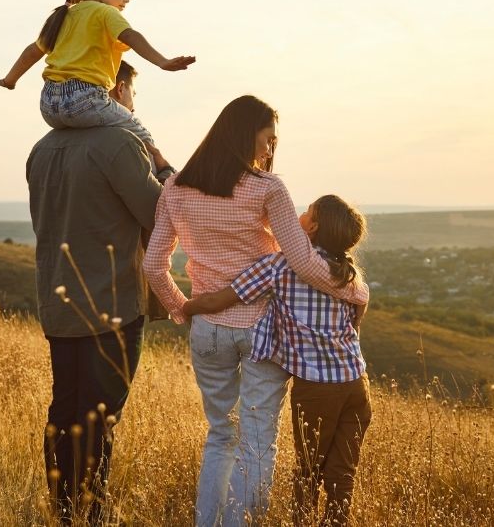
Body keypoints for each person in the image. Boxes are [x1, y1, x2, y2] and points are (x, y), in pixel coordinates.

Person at [141, 96, 369, 527]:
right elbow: (302, 261)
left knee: (221, 434)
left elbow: (153, 265)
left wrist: (181, 309)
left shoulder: (175, 189)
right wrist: (355, 291)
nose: (270, 151)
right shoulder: (268, 189)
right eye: (268, 140)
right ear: (247, 134)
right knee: (258, 443)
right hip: (264, 332)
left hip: (208, 328)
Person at [27, 67, 165, 522]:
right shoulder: (122, 144)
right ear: (118, 89)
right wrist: (163, 166)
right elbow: (160, 215)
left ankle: (62, 508)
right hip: (113, 305)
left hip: (58, 301)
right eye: (133, 92)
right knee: (99, 419)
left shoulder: (41, 150)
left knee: (64, 409)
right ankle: (88, 514)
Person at [184, 194, 371, 527]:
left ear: (312, 227)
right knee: (342, 474)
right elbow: (359, 311)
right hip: (357, 385)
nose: (299, 214)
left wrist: (187, 307)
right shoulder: (348, 274)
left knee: (309, 471)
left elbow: (222, 298)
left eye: (307, 211)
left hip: (317, 389)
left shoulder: (279, 266)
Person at [0, 0, 194, 180]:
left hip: (48, 105)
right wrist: (162, 61)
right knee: (139, 131)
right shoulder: (106, 12)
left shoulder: (61, 16)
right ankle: (165, 183)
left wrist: (10, 81)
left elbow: (32, 52)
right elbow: (131, 36)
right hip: (85, 99)